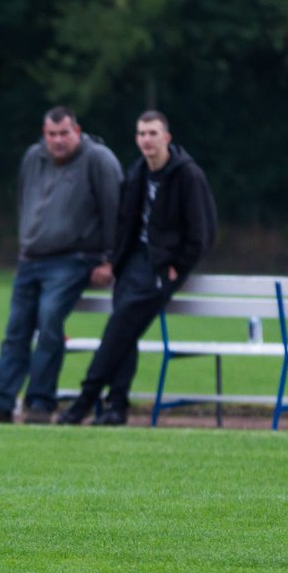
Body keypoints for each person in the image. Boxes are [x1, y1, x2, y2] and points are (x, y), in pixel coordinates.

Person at [58, 110, 218, 426]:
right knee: (124, 331)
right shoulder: (138, 173)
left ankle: (86, 399)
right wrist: (115, 262)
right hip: (133, 264)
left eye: (153, 133)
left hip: (162, 267)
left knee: (119, 327)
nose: (147, 140)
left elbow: (202, 232)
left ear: (166, 138)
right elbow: (125, 224)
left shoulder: (187, 175)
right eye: (142, 134)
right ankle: (116, 406)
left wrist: (177, 266)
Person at [0, 106, 122, 425]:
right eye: (52, 134)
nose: (58, 140)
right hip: (31, 259)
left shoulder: (99, 159)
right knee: (16, 330)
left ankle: (40, 402)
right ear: (44, 134)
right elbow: (25, 201)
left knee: (49, 323)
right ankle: (0, 402)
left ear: (76, 131)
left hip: (73, 258)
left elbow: (115, 210)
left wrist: (109, 258)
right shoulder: (33, 157)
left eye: (64, 133)